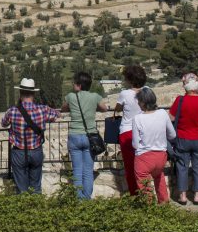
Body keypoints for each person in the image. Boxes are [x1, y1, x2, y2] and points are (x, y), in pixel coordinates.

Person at [1, 78, 59, 194]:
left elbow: (3, 123)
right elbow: (57, 115)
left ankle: (24, 209)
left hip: (19, 152)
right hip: (36, 150)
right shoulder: (43, 109)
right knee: (36, 186)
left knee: (21, 189)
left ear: (20, 93)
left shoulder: (12, 111)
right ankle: (36, 208)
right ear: (33, 93)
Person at [62, 72, 109, 199]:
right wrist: (93, 108)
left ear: (78, 85)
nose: (72, 84)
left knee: (77, 170)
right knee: (88, 171)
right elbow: (104, 109)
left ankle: (79, 199)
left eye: (74, 82)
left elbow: (63, 109)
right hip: (90, 137)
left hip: (74, 136)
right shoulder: (95, 96)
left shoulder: (71, 96)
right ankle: (87, 198)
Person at [168, 73, 198, 205]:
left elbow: (171, 118)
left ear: (185, 86)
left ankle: (182, 196)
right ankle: (197, 196)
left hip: (183, 138)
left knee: (182, 166)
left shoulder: (180, 100)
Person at [132, 87, 176, 204]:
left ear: (142, 102)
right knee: (159, 178)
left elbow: (135, 144)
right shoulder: (162, 113)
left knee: (144, 185)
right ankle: (164, 205)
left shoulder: (137, 118)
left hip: (144, 158)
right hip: (161, 156)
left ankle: (149, 209)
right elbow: (172, 135)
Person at [113, 65, 147, 196]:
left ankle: (135, 194)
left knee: (130, 165)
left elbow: (118, 108)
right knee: (144, 164)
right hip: (144, 131)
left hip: (127, 131)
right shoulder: (147, 91)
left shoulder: (125, 93)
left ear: (130, 80)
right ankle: (146, 193)